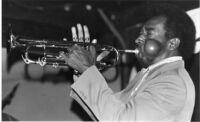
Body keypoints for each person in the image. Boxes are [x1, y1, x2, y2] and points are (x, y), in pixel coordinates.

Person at [60, 3, 196, 121]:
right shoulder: (150, 77)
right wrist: (83, 70)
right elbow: (105, 112)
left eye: (148, 33)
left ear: (172, 43)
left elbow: (120, 119)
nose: (137, 40)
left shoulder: (172, 83)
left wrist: (87, 69)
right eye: (140, 33)